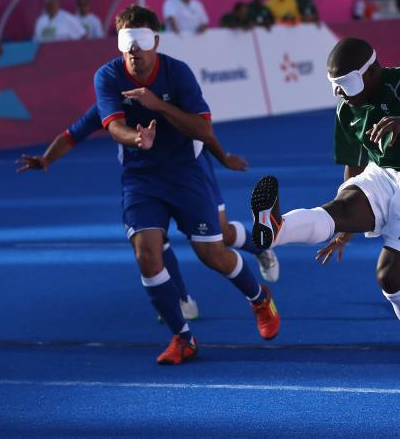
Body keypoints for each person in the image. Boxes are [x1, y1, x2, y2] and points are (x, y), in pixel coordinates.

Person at [250, 37, 400, 388]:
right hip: (381, 174)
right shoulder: (346, 108)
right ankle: (275, 228)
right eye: (336, 87)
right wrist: (345, 224)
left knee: (390, 275)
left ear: (373, 72)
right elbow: (354, 166)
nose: (341, 95)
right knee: (336, 209)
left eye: (347, 85)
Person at [93, 6, 280, 364]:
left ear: (156, 42)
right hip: (141, 178)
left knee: (212, 253)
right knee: (146, 253)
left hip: (185, 172)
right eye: (127, 42)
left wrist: (158, 107)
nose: (134, 50)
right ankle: (183, 338)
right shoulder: (107, 76)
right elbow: (112, 125)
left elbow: (203, 129)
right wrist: (135, 139)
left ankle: (259, 298)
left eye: (142, 41)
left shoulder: (177, 73)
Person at [15, 104, 280, 310]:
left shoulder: (164, 91)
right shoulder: (108, 103)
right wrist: (47, 158)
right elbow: (73, 134)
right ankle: (182, 300)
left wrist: (223, 157)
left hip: (190, 171)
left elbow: (201, 128)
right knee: (151, 238)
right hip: (147, 181)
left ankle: (260, 248)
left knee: (219, 236)